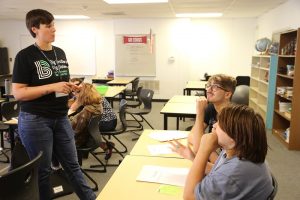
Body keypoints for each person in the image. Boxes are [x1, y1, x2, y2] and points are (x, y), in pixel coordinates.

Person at [12, 9, 96, 200]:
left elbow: (59, 87)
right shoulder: (25, 56)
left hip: (60, 117)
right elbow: (18, 92)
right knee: (43, 171)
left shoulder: (59, 53)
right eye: (48, 26)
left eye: (53, 25)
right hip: (36, 120)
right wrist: (52, 87)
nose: (54, 29)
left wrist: (71, 88)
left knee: (73, 166)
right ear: (35, 29)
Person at [183, 104, 273, 200]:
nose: (214, 125)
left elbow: (189, 197)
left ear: (234, 138)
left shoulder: (232, 173)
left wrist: (203, 151)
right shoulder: (239, 151)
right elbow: (218, 169)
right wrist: (193, 158)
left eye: (220, 125)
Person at [172, 74, 236, 163]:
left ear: (227, 94)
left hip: (228, 165)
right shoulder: (211, 108)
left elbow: (197, 149)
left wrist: (200, 113)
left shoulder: (232, 117)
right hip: (218, 161)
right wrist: (206, 148)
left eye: (215, 87)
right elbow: (192, 136)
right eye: (208, 86)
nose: (208, 90)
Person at [69, 83, 117, 159]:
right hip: (102, 126)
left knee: (86, 127)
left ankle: (57, 166)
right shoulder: (95, 100)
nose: (74, 93)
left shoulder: (87, 110)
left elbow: (77, 132)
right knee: (89, 128)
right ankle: (105, 146)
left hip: (107, 123)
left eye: (77, 91)